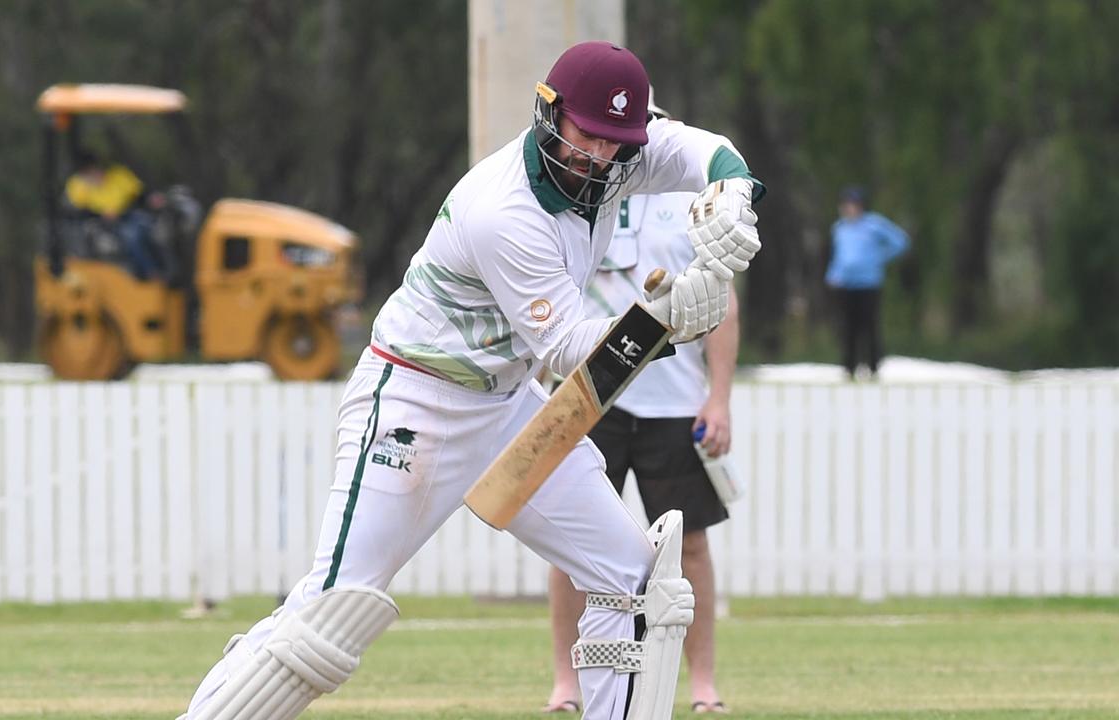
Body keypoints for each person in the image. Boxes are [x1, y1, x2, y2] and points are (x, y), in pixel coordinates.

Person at [178, 41, 764, 720]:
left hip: (507, 403)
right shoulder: (504, 212)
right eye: (588, 137)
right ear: (549, 114)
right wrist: (668, 323)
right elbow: (576, 355)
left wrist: (735, 193)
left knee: (632, 579)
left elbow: (702, 150)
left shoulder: (616, 160)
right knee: (330, 614)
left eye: (616, 144)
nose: (600, 158)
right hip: (414, 402)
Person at [543, 184, 741, 715]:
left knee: (690, 547)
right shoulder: (574, 197)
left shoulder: (692, 206)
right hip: (591, 396)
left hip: (673, 403)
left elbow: (722, 303)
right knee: (570, 549)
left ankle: (702, 684)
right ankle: (567, 682)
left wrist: (717, 398)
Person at [824, 186, 909, 379]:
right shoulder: (840, 228)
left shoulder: (874, 225)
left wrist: (879, 258)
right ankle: (849, 367)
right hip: (846, 284)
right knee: (848, 327)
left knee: (869, 326)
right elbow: (838, 256)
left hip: (869, 283)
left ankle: (873, 366)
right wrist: (832, 275)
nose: (849, 209)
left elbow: (900, 242)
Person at [64, 151, 164, 280]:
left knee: (156, 229)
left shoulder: (118, 174)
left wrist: (152, 199)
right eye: (87, 172)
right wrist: (101, 214)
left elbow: (139, 193)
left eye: (94, 169)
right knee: (132, 236)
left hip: (129, 215)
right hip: (103, 225)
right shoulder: (76, 186)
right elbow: (77, 213)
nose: (94, 174)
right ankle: (150, 274)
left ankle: (166, 270)